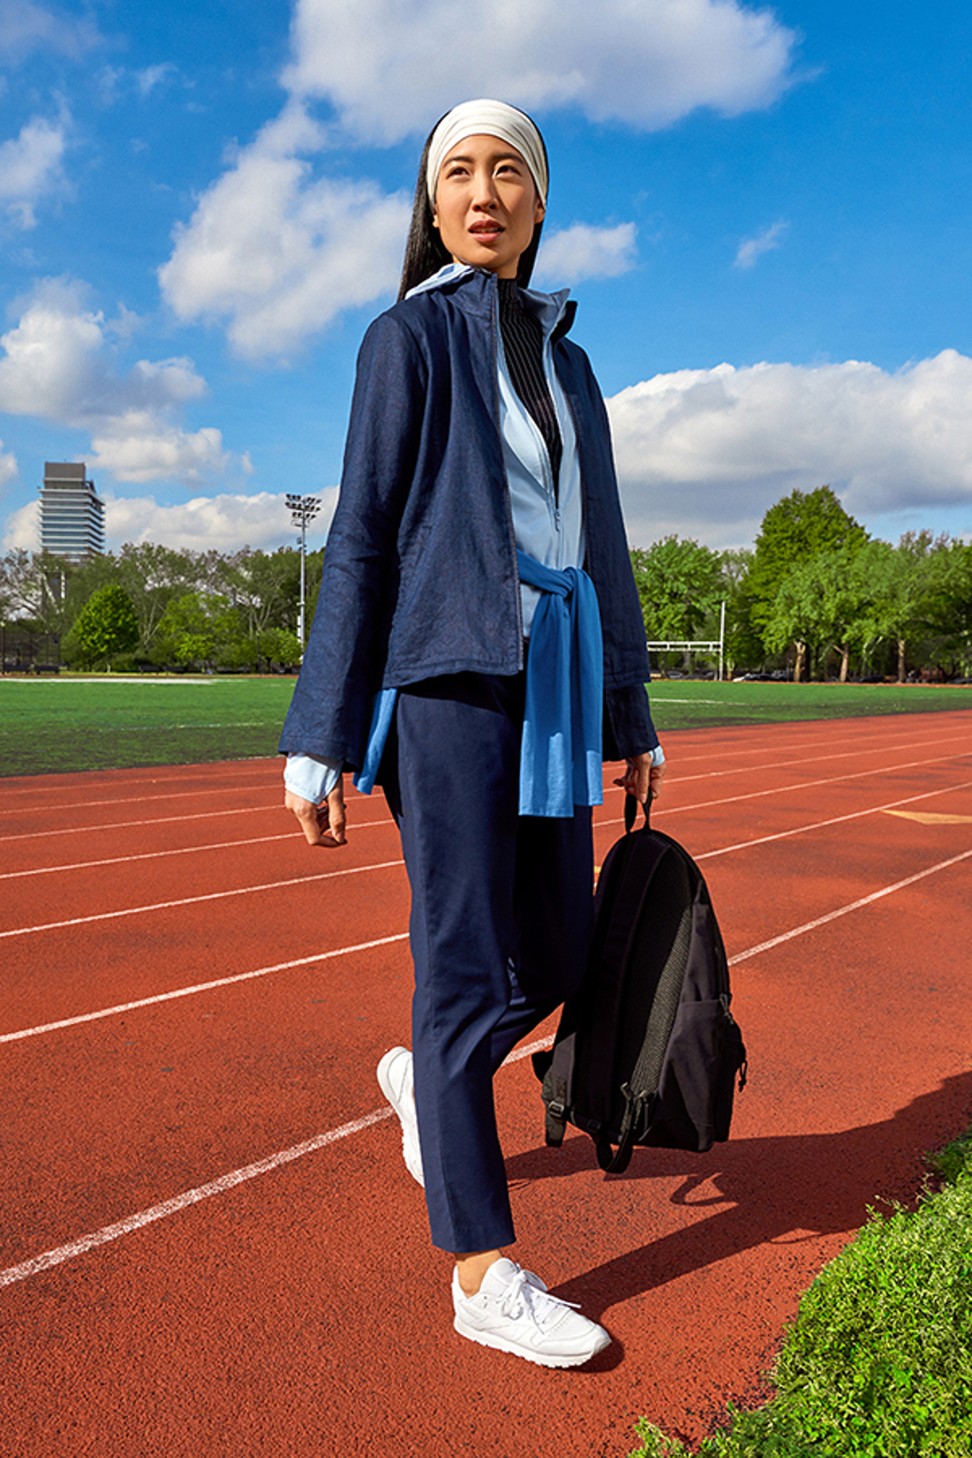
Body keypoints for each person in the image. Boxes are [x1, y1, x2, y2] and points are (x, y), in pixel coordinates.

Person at [280, 98, 665, 1368]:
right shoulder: (407, 339)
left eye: (510, 171)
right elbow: (362, 534)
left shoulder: (572, 359)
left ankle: (425, 1088)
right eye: (459, 172)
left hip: (553, 677)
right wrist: (321, 731)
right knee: (459, 965)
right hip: (445, 678)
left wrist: (631, 713)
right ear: (433, 204)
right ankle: (481, 1270)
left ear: (542, 204)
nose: (485, 189)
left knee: (557, 950)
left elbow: (602, 548)